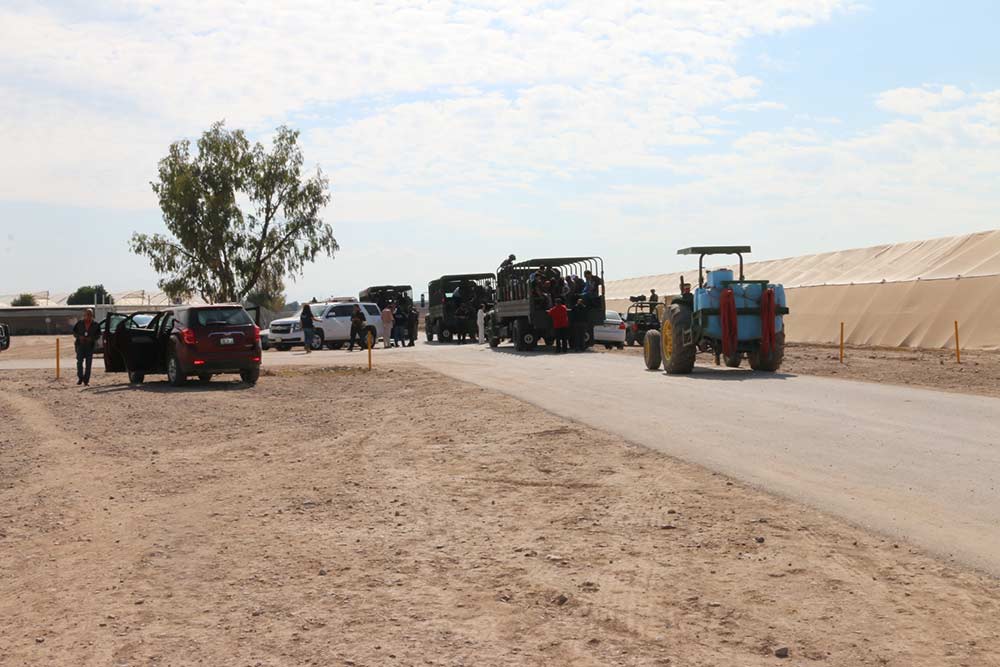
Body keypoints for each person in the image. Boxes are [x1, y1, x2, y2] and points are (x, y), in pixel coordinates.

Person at [72, 308, 101, 386]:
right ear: (84, 315)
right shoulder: (79, 323)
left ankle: (86, 380)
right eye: (87, 314)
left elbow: (98, 335)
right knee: (79, 362)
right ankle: (80, 378)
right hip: (80, 345)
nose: (88, 316)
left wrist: (92, 338)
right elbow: (74, 332)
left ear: (92, 316)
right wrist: (79, 337)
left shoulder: (96, 325)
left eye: (90, 315)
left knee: (88, 364)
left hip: (90, 346)